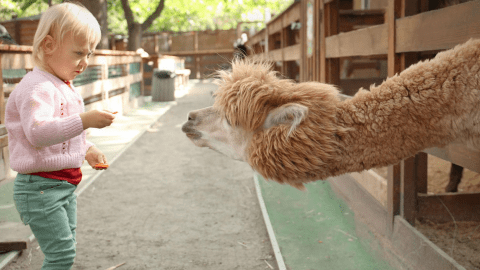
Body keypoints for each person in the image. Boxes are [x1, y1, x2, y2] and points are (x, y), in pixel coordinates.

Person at [5, 2, 115, 269]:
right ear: (49, 45)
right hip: (40, 188)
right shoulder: (37, 87)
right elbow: (38, 133)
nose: (85, 63)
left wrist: (87, 149)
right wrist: (85, 120)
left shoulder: (63, 85)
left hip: (63, 185)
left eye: (88, 54)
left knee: (66, 248)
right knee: (61, 255)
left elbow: (64, 133)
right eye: (78, 52)